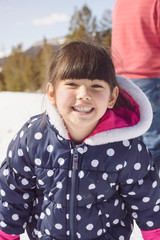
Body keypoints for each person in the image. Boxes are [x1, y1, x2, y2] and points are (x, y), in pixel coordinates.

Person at [0, 40, 160, 240]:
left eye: (95, 86)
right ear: (52, 93)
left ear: (112, 97)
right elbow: (13, 190)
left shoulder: (125, 146)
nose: (84, 95)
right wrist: (6, 234)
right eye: (72, 84)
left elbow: (146, 197)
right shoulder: (34, 138)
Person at [111, 0, 160, 170]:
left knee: (130, 140)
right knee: (154, 141)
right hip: (151, 76)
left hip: (121, 79)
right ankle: (149, 190)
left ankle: (132, 187)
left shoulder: (121, 2)